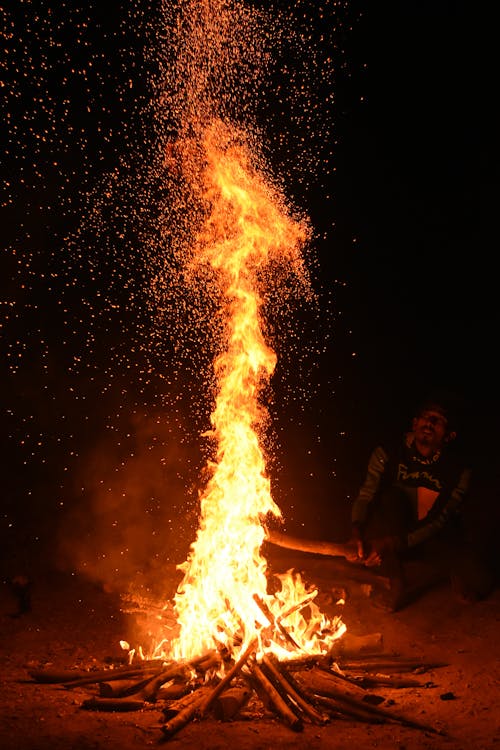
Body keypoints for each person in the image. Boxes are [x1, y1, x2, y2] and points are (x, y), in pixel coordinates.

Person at [348, 392, 495, 612]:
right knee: (391, 499)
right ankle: (397, 581)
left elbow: (439, 520)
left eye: (439, 421)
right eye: (426, 417)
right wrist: (357, 531)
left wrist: (391, 544)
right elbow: (365, 495)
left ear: (449, 436)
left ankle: (435, 569)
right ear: (415, 423)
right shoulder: (387, 453)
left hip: (433, 536)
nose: (430, 423)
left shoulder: (458, 469)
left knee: (478, 584)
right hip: (394, 528)